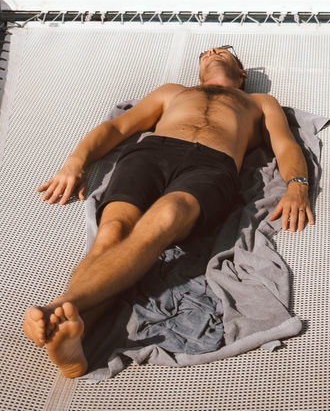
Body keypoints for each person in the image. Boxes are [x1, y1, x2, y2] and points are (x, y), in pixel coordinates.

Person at [22, 45, 313, 377]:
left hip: (212, 164)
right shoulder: (172, 92)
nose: (214, 50)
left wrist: (297, 186)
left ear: (242, 72)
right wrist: (75, 163)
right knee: (111, 231)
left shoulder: (259, 102)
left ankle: (58, 310)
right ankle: (73, 339)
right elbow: (118, 129)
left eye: (224, 50)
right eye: (206, 52)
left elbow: (286, 144)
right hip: (151, 155)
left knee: (168, 216)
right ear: (198, 70)